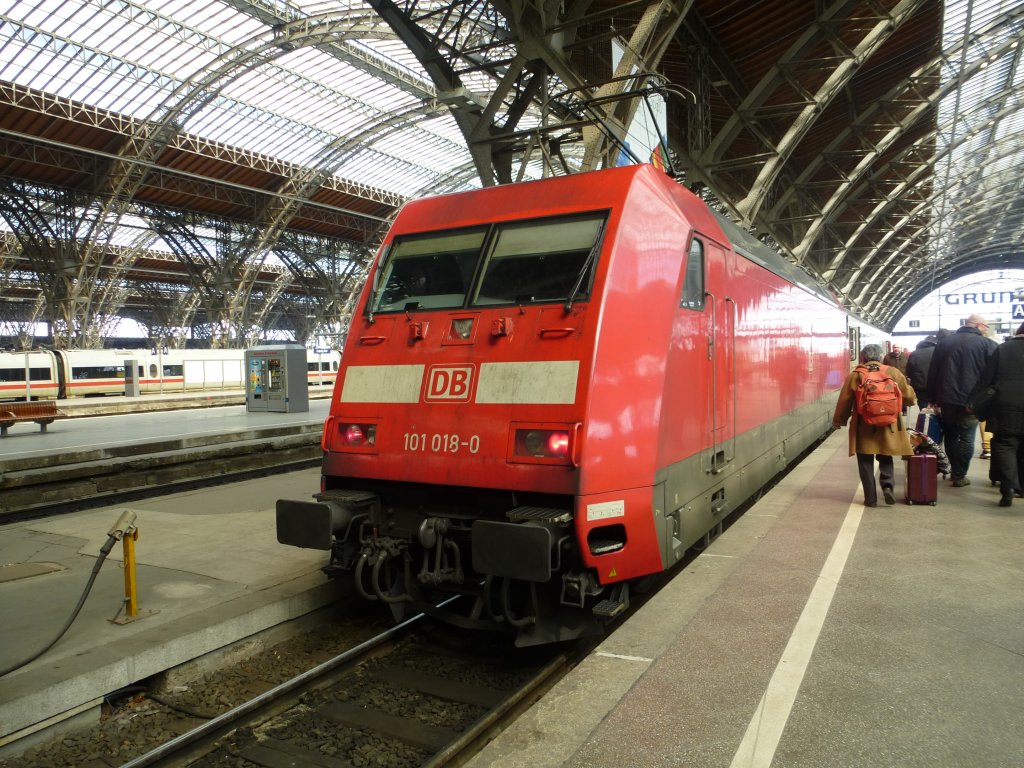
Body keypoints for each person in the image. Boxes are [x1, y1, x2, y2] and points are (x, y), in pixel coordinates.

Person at [833, 344, 917, 507]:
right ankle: (887, 487)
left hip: (864, 424)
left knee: (865, 460)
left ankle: (870, 498)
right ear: (880, 357)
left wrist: (839, 420)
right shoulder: (892, 372)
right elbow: (909, 397)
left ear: (863, 358)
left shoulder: (856, 375)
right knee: (885, 455)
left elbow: (844, 401)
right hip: (889, 424)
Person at [925, 314, 998, 486]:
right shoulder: (988, 345)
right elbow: (993, 376)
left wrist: (932, 398)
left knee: (951, 434)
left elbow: (933, 372)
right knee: (967, 436)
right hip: (972, 401)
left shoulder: (944, 343)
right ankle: (959, 474)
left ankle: (956, 471)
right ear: (979, 326)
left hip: (947, 399)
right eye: (986, 326)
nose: (986, 330)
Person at [969, 322, 1024, 506]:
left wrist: (974, 402)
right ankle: (1021, 487)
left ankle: (1008, 486)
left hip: (1004, 404)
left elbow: (986, 379)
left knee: (1005, 445)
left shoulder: (1002, 349)